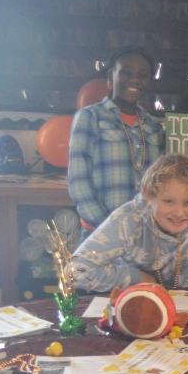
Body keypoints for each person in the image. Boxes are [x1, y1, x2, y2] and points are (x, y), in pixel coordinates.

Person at [71, 154, 188, 292]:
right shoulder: (128, 219)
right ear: (149, 196)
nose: (179, 213)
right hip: (134, 302)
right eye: (168, 201)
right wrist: (138, 279)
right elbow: (74, 272)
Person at [68, 46, 165, 236]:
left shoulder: (153, 127)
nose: (134, 79)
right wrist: (109, 228)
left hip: (145, 235)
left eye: (142, 75)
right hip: (101, 234)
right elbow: (78, 182)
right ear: (110, 77)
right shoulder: (90, 117)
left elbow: (160, 183)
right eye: (126, 72)